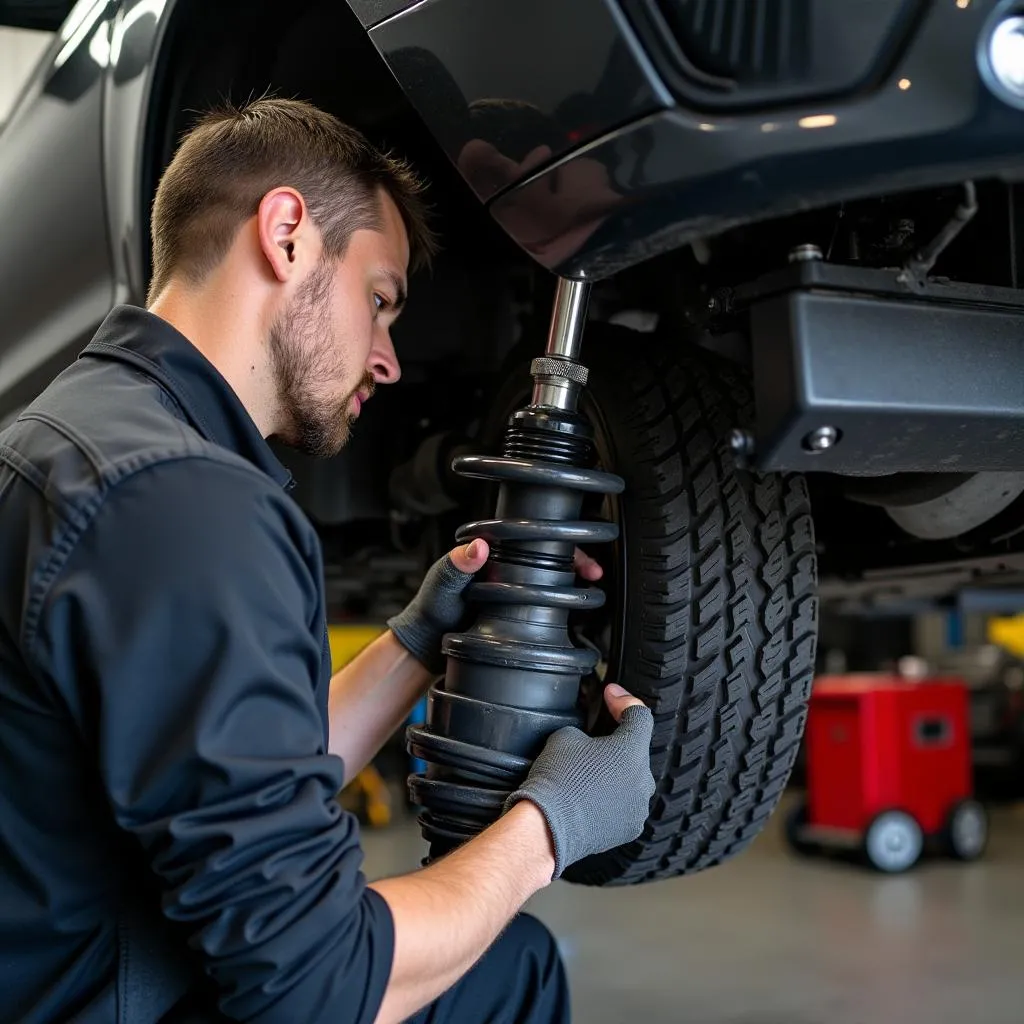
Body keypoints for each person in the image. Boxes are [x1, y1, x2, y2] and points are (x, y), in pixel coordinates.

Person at [0, 98, 656, 1024]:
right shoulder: (187, 503)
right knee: (513, 972)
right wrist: (554, 827)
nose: (388, 359)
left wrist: (418, 641)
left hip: (73, 971)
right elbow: (320, 988)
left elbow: (237, 777)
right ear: (287, 234)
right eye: (379, 300)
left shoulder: (81, 437)